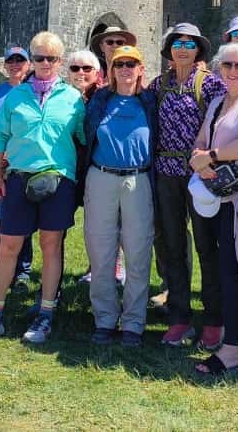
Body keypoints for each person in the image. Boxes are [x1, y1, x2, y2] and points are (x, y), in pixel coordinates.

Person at [0, 31, 85, 344]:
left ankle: (45, 314)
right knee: (9, 246)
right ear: (32, 60)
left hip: (58, 180)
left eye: (51, 58)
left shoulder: (72, 98)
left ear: (59, 62)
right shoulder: (16, 96)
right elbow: (0, 138)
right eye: (39, 57)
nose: (44, 63)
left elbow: (82, 137)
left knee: (51, 245)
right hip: (18, 178)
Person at [190, 41, 238, 380]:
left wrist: (213, 157)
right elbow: (201, 141)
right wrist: (198, 158)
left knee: (232, 269)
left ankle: (231, 350)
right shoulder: (219, 102)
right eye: (228, 66)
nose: (233, 71)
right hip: (220, 192)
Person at [149, 22, 227, 348]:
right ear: (169, 50)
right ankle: (179, 317)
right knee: (172, 245)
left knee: (207, 247)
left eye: (189, 43)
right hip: (166, 172)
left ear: (198, 49)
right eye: (177, 43)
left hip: (199, 174)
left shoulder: (210, 84)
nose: (183, 48)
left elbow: (229, 111)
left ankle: (213, 320)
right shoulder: (159, 84)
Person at [83, 45, 157, 347]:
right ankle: (103, 318)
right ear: (111, 71)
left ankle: (133, 323)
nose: (125, 69)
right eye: (119, 64)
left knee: (138, 253)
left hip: (138, 180)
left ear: (141, 69)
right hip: (102, 177)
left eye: (132, 64)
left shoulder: (150, 101)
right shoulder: (100, 99)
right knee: (101, 252)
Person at [68, 49, 126, 287]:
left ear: (98, 72)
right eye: (75, 68)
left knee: (111, 219)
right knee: (92, 222)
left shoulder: (105, 96)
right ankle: (95, 267)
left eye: (87, 69)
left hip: (99, 167)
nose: (81, 73)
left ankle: (115, 267)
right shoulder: (64, 97)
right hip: (72, 167)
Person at [0, 47, 33, 288]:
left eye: (19, 60)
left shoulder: (34, 92)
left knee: (25, 214)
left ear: (28, 64)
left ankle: (23, 270)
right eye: (10, 61)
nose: (14, 64)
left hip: (24, 161)